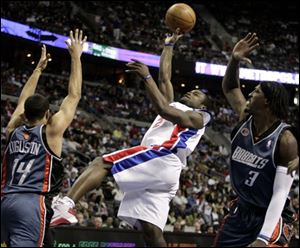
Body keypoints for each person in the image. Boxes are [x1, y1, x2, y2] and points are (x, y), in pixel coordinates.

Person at [50, 29, 212, 247]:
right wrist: (168, 46)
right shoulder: (176, 104)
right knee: (151, 231)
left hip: (161, 156)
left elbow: (163, 109)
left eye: (197, 94)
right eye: (191, 90)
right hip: (164, 172)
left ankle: (66, 204)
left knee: (102, 163)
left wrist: (146, 76)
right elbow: (165, 77)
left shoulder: (199, 117)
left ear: (202, 105)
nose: (192, 92)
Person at [1, 29, 87, 247]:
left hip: (6, 200)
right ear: (48, 114)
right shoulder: (51, 132)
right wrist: (76, 57)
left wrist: (38, 69)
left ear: (23, 114)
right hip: (32, 204)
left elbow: (22, 101)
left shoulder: (12, 130)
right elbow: (74, 95)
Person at [214, 33, 299, 247]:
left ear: (268, 102)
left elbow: (280, 193)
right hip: (241, 212)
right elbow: (231, 88)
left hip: (271, 215)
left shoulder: (285, 140)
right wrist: (234, 60)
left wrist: (263, 238)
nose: (250, 93)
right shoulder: (245, 119)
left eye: (257, 91)